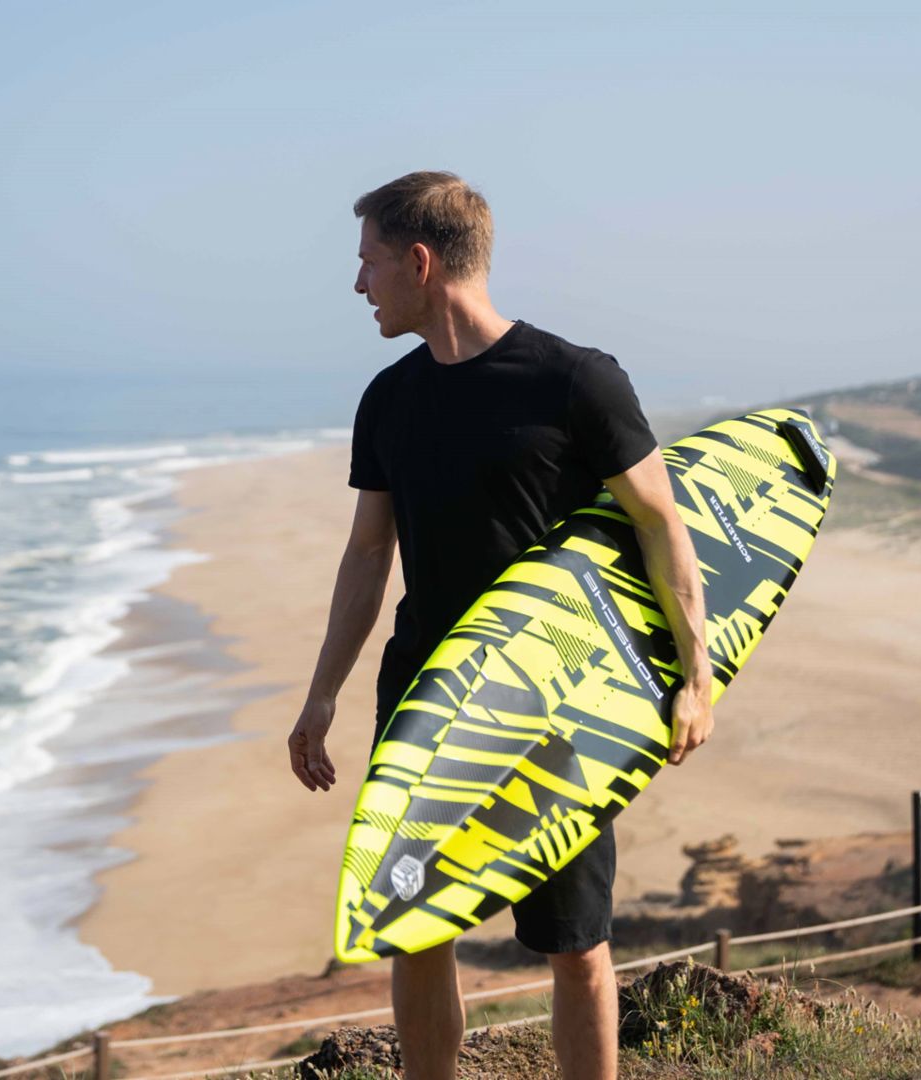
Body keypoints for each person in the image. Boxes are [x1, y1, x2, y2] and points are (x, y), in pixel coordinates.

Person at [287, 170, 712, 1080]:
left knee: (574, 941)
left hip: (555, 703)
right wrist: (321, 694)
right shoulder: (389, 400)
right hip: (424, 695)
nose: (358, 284)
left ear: (420, 260)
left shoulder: (574, 381)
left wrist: (694, 677)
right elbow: (369, 556)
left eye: (367, 262)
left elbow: (659, 521)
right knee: (415, 923)